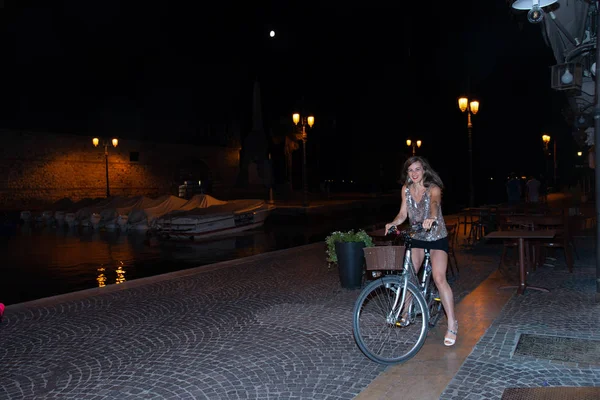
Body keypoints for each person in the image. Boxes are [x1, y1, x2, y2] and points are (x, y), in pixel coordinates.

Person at [384, 156, 458, 347]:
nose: (414, 174)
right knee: (408, 272)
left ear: (424, 170)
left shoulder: (433, 188)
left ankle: (452, 323)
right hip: (417, 236)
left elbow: (434, 204)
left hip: (436, 236)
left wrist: (432, 217)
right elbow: (403, 214)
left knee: (439, 277)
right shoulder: (406, 189)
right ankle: (406, 312)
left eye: (417, 169)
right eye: (410, 170)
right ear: (407, 173)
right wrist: (393, 223)